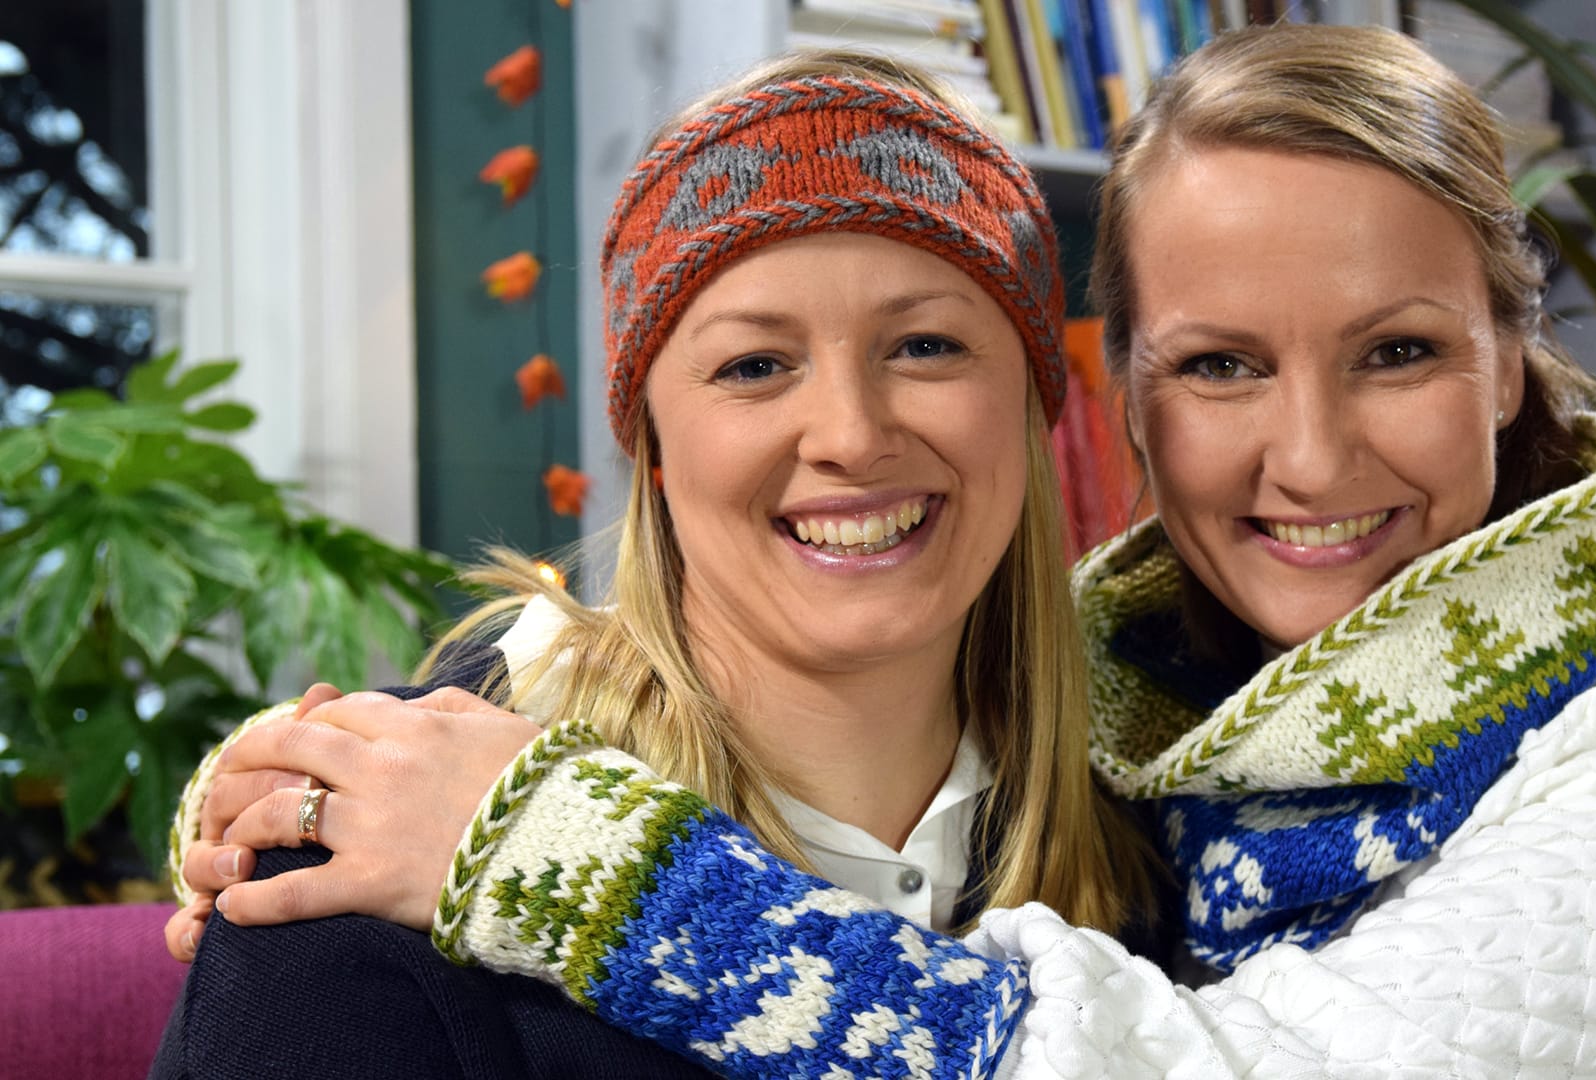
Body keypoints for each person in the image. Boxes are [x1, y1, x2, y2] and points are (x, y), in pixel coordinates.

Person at [174, 23, 1596, 1080]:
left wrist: (578, 862)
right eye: (1221, 364)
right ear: (1126, 405)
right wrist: (334, 771)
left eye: (1399, 352)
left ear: (1513, 359)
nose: (1311, 455)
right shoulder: (1183, 747)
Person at [152, 49, 1161, 1079]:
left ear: (1034, 402)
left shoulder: (1168, 846)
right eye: (755, 365)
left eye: (926, 347)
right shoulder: (369, 847)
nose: (852, 437)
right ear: (655, 445)